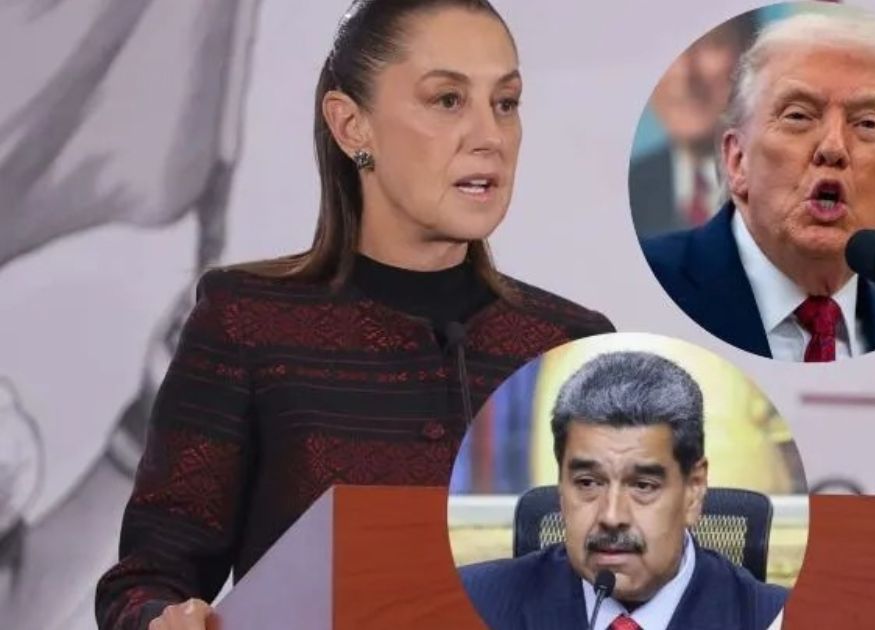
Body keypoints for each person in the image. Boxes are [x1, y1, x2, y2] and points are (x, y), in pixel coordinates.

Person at [94, 1, 614, 628]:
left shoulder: (573, 345)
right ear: (350, 125)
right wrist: (162, 618)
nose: (490, 135)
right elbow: (146, 580)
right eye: (448, 100)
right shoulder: (247, 324)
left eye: (505, 103)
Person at [640, 11, 875, 362]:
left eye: (867, 123)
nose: (833, 147)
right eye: (798, 116)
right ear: (737, 160)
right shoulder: (643, 288)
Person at [460, 351, 788, 630]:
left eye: (643, 486)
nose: (612, 516)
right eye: (588, 483)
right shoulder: (474, 601)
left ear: (694, 489)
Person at [629, 14, 754, 237]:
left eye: (710, 43)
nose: (684, 74)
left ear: (751, 51)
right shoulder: (622, 193)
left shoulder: (797, 187)